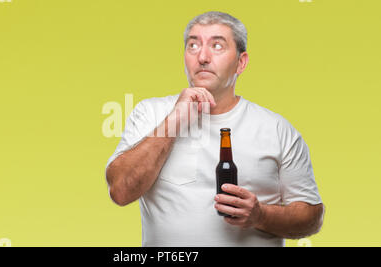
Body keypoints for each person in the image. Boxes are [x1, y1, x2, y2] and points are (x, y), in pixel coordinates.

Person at [105, 11, 324, 247]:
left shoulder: (277, 129)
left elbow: (311, 218)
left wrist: (260, 215)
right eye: (193, 45)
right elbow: (120, 191)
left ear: (241, 62)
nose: (202, 57)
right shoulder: (150, 114)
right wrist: (175, 119)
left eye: (217, 46)